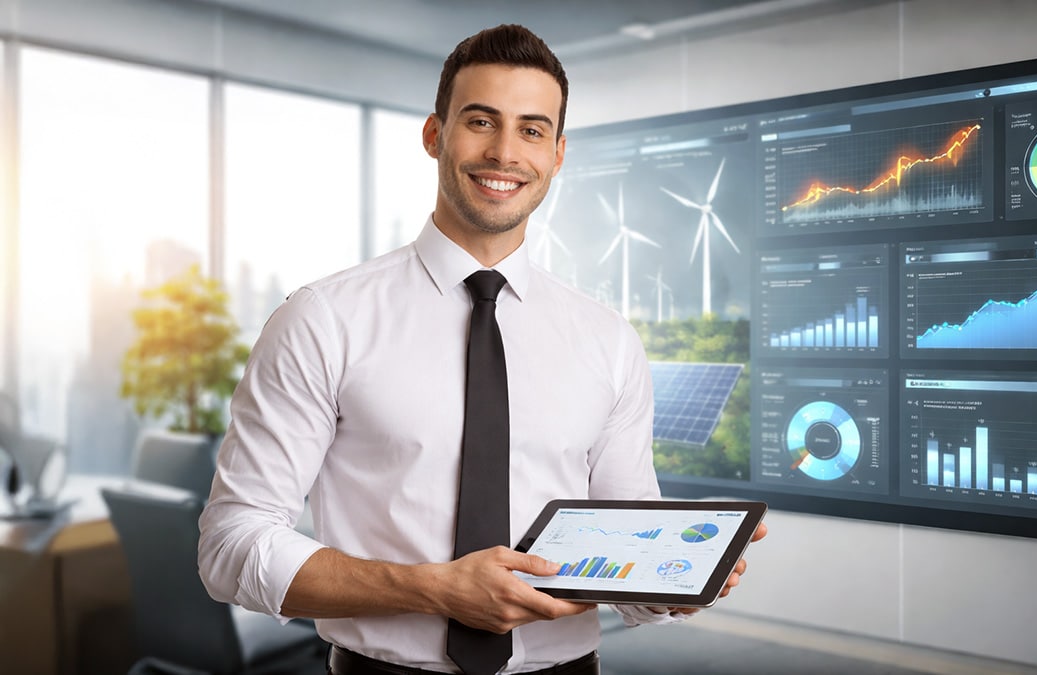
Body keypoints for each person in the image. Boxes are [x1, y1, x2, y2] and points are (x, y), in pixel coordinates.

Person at [198, 23, 766, 675]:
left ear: (557, 154)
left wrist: (677, 577)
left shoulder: (606, 340)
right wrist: (433, 588)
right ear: (434, 134)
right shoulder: (323, 319)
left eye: (531, 129)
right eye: (480, 121)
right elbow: (232, 544)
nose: (504, 152)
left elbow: (619, 554)